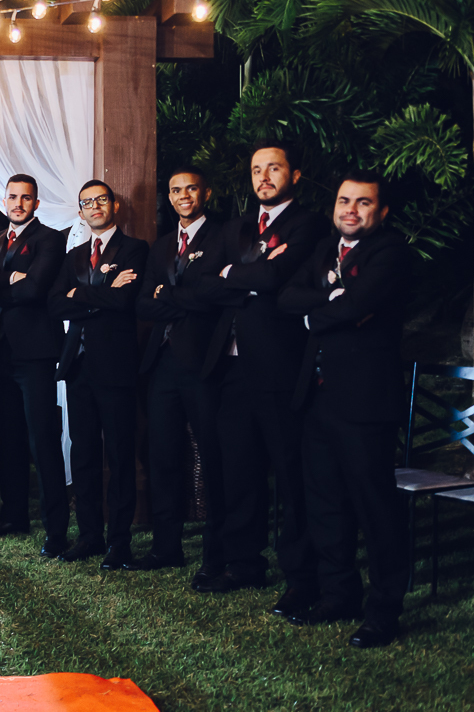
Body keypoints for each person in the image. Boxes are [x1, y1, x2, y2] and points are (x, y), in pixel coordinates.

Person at [193, 140, 329, 622]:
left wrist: (236, 273)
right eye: (256, 169)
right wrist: (249, 274)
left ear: (295, 175)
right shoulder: (235, 227)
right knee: (239, 472)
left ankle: (301, 578)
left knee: (291, 476)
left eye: (274, 168)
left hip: (279, 367)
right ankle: (244, 563)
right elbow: (202, 283)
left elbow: (277, 282)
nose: (264, 177)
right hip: (230, 368)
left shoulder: (309, 224)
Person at [277, 171, 412, 649]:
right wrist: (329, 300)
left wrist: (319, 312)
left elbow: (357, 306)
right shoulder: (324, 250)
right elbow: (287, 298)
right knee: (326, 504)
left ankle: (384, 611)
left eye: (363, 202)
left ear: (382, 211)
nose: (350, 210)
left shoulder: (390, 251)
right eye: (343, 201)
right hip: (317, 399)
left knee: (375, 508)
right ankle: (340, 595)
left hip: (365, 403)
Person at [48, 180, 149, 569]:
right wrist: (101, 291)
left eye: (101, 200)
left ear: (114, 205)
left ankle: (119, 541)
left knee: (120, 454)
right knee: (84, 454)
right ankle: (89, 535)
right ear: (80, 212)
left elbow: (125, 301)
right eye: (87, 202)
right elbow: (55, 305)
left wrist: (79, 295)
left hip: (116, 365)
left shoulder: (134, 249)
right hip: (78, 366)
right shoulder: (74, 256)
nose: (94, 206)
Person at [136, 167, 226, 579]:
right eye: (175, 190)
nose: (183, 195)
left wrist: (167, 294)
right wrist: (180, 298)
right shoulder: (160, 247)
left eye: (191, 188)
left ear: (205, 193)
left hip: (205, 362)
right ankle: (166, 547)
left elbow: (214, 298)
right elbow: (143, 304)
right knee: (163, 456)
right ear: (169, 197)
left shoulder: (222, 238)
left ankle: (216, 553)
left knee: (213, 456)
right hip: (162, 363)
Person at [0, 174, 69, 557]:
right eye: (12, 197)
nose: (18, 203)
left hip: (37, 352)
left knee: (42, 440)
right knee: (8, 438)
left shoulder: (50, 239)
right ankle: (13, 515)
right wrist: (11, 278)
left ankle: (56, 529)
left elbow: (34, 289)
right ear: (4, 201)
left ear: (36, 203)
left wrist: (3, 285)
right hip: (1, 352)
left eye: (25, 198)